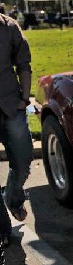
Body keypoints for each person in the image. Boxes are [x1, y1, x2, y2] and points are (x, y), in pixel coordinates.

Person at [0, 13, 34, 232]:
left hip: (11, 104)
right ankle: (2, 227)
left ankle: (12, 197)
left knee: (23, 162)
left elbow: (24, 64)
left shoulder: (9, 26)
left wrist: (25, 98)